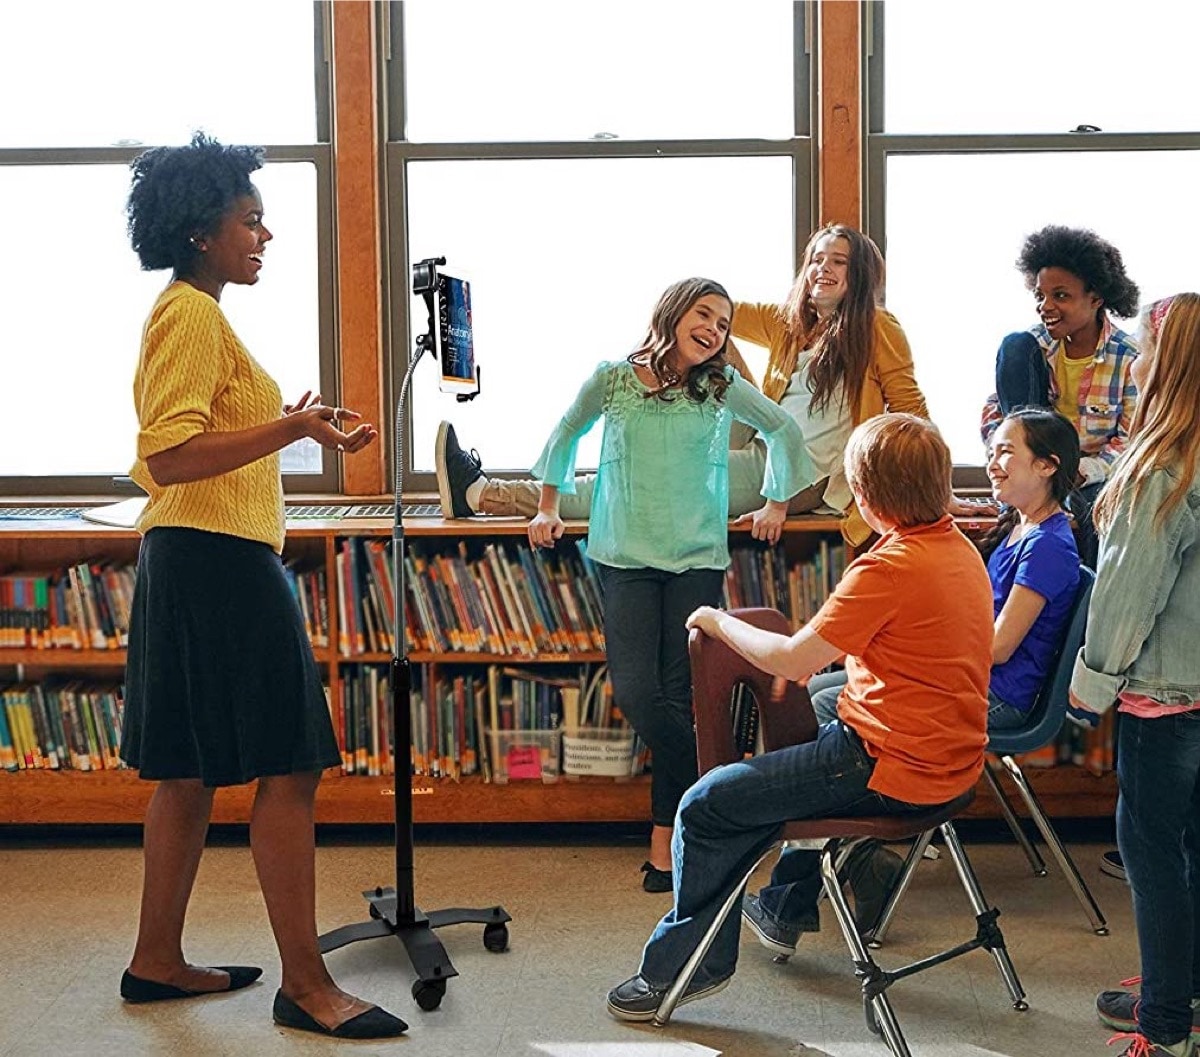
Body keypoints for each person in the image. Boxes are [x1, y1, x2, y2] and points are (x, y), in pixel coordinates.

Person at [118, 133, 405, 1040]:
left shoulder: (193, 312)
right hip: (220, 562)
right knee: (290, 763)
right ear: (200, 231)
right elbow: (170, 454)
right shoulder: (191, 317)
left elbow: (196, 441)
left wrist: (291, 422)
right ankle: (308, 985)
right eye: (250, 219)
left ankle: (156, 960)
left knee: (187, 771)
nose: (266, 234)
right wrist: (291, 432)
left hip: (192, 558)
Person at [606, 413, 993, 1020]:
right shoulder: (958, 549)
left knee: (704, 806)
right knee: (806, 726)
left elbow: (793, 659)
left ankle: (687, 968)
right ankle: (792, 899)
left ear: (864, 495)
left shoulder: (887, 568)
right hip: (956, 761)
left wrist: (716, 620)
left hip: (889, 766)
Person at [740, 406, 1084, 957]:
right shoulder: (1020, 527)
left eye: (1005, 453)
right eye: (991, 451)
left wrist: (915, 640)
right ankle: (849, 857)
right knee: (823, 694)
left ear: (1047, 466)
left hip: (998, 696)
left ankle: (806, 876)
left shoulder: (1048, 547)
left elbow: (998, 646)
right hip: (974, 680)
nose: (992, 464)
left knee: (827, 706)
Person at [525, 277, 813, 891]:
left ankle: (666, 848)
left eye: (723, 324)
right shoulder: (613, 379)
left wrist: (776, 502)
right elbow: (565, 432)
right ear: (673, 314)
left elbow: (783, 431)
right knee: (638, 693)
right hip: (625, 556)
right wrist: (548, 507)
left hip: (696, 559)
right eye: (704, 315)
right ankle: (731, 785)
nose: (713, 329)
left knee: (680, 697)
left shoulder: (722, 384)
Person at [435, 225, 935, 548]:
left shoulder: (877, 327)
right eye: (817, 260)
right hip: (760, 440)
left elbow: (911, 409)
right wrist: (681, 326)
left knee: (635, 483)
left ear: (860, 274)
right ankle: (654, 408)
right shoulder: (790, 323)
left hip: (798, 473)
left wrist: (936, 489)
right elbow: (713, 307)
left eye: (838, 261)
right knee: (708, 323)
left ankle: (483, 495)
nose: (823, 269)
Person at [1070, 294, 1200, 1057]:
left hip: (1163, 701)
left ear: (1168, 363)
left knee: (1154, 861)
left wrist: (1091, 685)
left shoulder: (1161, 469)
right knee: (1194, 853)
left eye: (1146, 351)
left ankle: (1166, 1028)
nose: (1136, 362)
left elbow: (1126, 595)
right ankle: (1183, 992)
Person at [981, 225, 1141, 567]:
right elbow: (996, 413)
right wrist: (1008, 457)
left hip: (1088, 478)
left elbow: (1130, 440)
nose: (1046, 306)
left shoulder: (1129, 358)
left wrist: (1074, 472)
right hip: (1035, 467)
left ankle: (1083, 592)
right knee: (1014, 344)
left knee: (1096, 512)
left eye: (1061, 296)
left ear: (1096, 299)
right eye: (1040, 296)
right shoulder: (1032, 347)